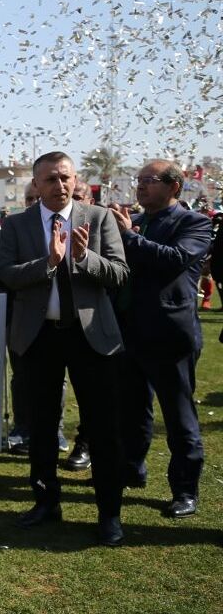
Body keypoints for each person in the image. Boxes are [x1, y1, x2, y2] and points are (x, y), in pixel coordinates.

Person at [0, 151, 129, 546]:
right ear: (36, 184)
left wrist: (84, 258)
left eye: (66, 177)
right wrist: (48, 263)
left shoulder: (99, 218)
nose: (60, 185)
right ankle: (45, 502)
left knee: (103, 428)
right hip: (39, 338)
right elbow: (4, 276)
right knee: (41, 426)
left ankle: (109, 513)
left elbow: (120, 273)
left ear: (76, 180)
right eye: (51, 179)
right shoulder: (17, 224)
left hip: (92, 339)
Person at [111, 160, 211, 518]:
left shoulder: (194, 223)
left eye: (149, 180)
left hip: (169, 335)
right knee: (132, 409)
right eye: (138, 180)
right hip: (129, 331)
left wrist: (128, 237)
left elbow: (173, 260)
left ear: (174, 187)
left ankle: (185, 489)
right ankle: (132, 469)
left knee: (179, 415)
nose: (140, 186)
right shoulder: (135, 221)